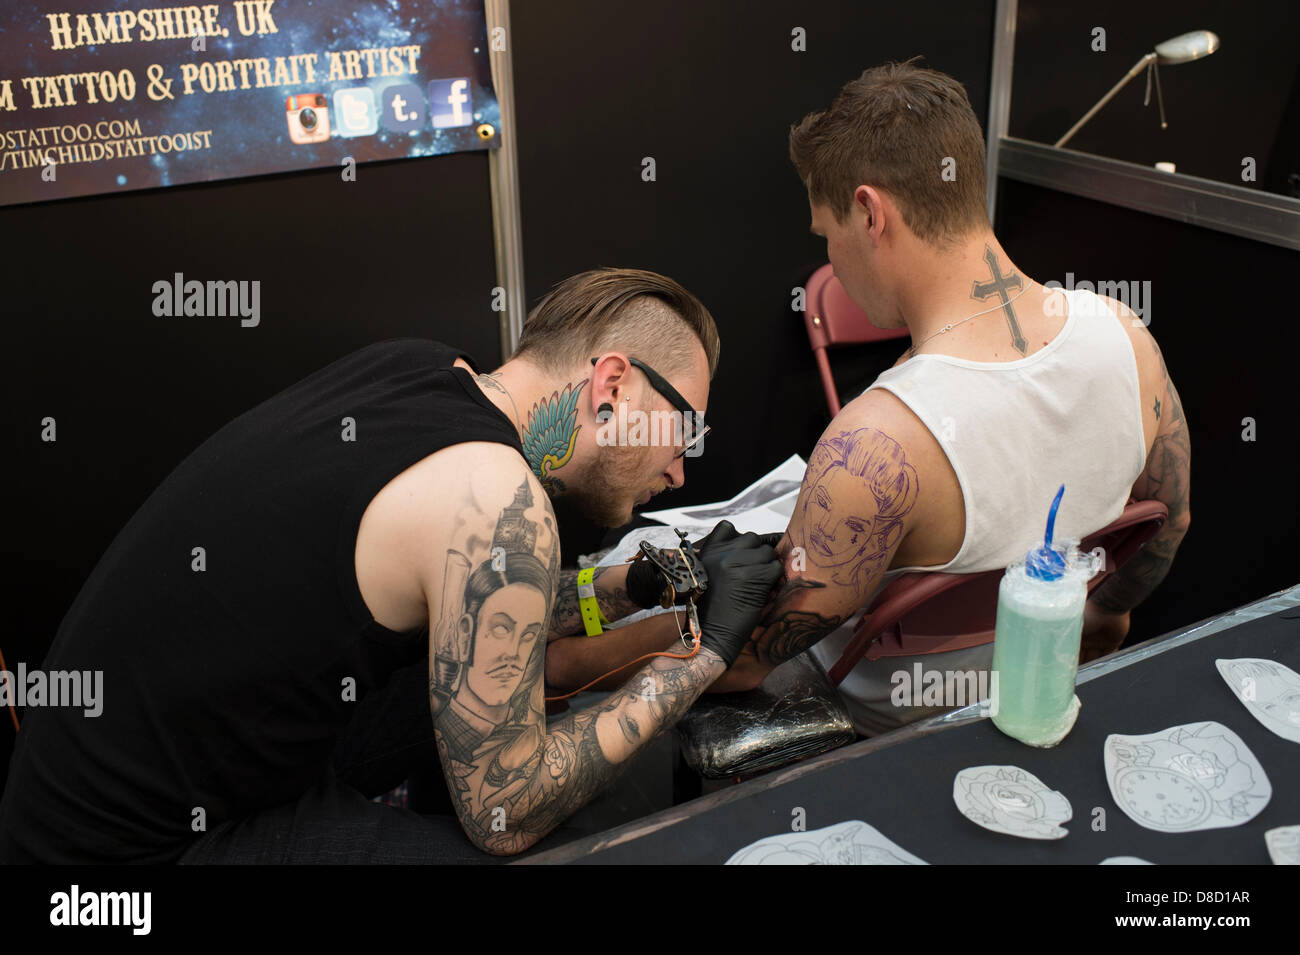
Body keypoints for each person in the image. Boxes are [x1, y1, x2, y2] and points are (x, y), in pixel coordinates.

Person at [0, 267, 782, 862]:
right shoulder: (495, 491)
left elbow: (484, 616)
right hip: (111, 867)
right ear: (612, 383)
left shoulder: (424, 371)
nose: (681, 469)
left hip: (147, 781)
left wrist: (621, 588)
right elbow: (505, 811)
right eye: (685, 429)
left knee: (459, 689)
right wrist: (700, 659)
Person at [547, 60, 1192, 737]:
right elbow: (1166, 525)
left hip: (889, 729)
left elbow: (740, 661)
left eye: (827, 235)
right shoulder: (1126, 336)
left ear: (869, 212)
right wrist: (1097, 620)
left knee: (632, 566)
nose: (830, 261)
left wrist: (565, 664)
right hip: (1034, 693)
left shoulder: (876, 442)